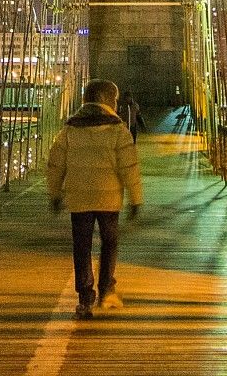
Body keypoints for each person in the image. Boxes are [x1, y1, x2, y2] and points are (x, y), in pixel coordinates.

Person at [45, 79, 142, 318]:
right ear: (107, 101)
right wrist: (135, 199)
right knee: (110, 243)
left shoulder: (69, 130)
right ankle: (107, 290)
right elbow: (129, 167)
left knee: (82, 247)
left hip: (79, 197)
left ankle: (85, 297)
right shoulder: (118, 130)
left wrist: (55, 193)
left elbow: (55, 164)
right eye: (114, 100)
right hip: (109, 198)